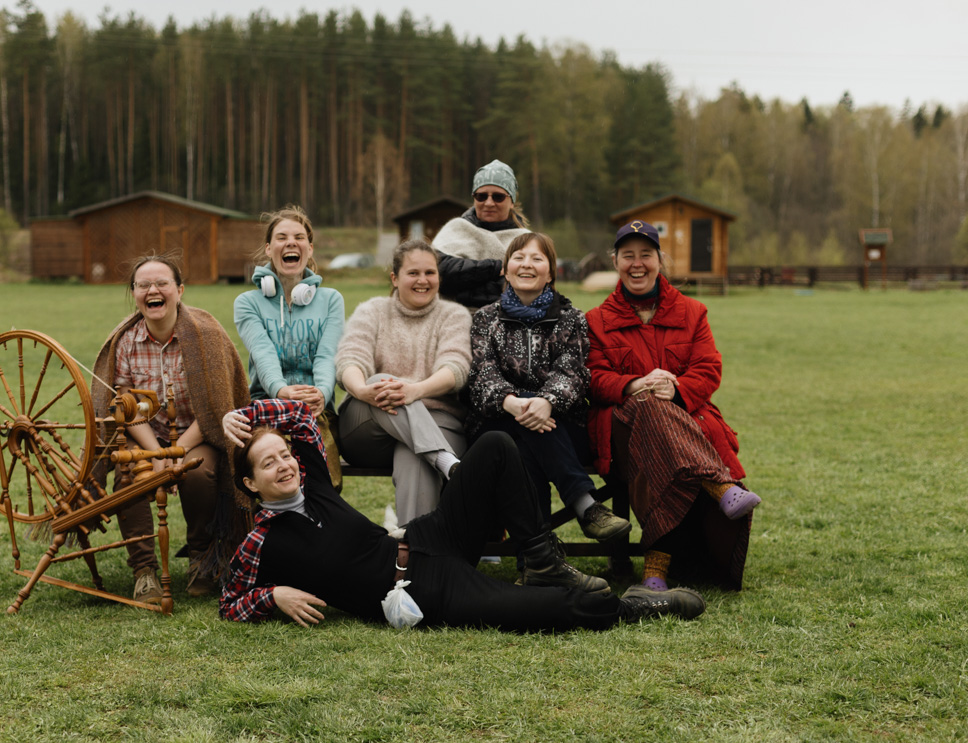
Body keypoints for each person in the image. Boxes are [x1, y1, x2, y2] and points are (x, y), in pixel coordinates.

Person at [218, 399, 704, 629]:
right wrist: (273, 594)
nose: (284, 464)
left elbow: (302, 418)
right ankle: (638, 606)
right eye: (268, 462)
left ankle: (540, 560)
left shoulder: (313, 481)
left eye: (284, 455)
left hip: (429, 536)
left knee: (494, 445)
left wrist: (246, 418)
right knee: (550, 613)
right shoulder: (262, 543)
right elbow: (230, 599)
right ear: (249, 483)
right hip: (424, 593)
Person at [586, 221, 761, 600]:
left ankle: (656, 569)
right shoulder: (596, 321)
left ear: (660, 260)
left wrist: (675, 387)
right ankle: (719, 484)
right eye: (628, 255)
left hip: (680, 421)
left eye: (645, 255)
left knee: (659, 441)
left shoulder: (692, 312)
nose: (637, 264)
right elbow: (594, 378)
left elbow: (708, 369)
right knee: (648, 407)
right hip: (621, 428)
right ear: (615, 261)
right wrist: (634, 385)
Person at [90, 252, 253, 600]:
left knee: (199, 472)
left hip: (200, 435)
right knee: (130, 472)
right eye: (143, 284)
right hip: (146, 436)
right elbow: (124, 407)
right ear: (134, 293)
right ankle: (144, 569)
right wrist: (156, 452)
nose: (153, 289)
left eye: (162, 283)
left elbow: (216, 409)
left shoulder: (205, 336)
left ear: (179, 290)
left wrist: (179, 453)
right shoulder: (125, 342)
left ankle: (201, 558)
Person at [469, 232, 631, 548]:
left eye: (537, 258)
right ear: (504, 269)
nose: (526, 264)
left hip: (561, 425)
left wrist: (547, 401)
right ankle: (585, 506)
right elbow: (481, 377)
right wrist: (515, 403)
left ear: (551, 272)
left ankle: (536, 558)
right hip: (495, 425)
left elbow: (573, 375)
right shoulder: (485, 319)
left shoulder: (571, 319)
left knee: (526, 446)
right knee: (521, 439)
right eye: (518, 257)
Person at [335, 239, 471, 525]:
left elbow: (456, 367)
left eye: (430, 273)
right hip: (369, 423)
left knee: (415, 454)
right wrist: (362, 389)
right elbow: (350, 358)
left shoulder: (454, 315)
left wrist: (416, 391)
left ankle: (412, 554)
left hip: (438, 422)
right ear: (395, 278)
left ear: (439, 277)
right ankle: (444, 460)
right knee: (383, 381)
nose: (423, 280)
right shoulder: (372, 310)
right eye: (413, 273)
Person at [234, 206, 345, 489]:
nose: (290, 243)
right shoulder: (247, 303)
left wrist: (321, 392)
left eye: (298, 237)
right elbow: (263, 353)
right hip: (268, 406)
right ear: (269, 249)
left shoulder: (331, 299)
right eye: (282, 237)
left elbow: (326, 354)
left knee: (322, 482)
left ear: (309, 247)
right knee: (274, 474)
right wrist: (281, 391)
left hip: (316, 407)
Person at [431, 159, 531, 309]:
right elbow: (438, 272)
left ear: (512, 201)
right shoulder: (455, 230)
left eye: (498, 197)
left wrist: (464, 282)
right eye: (481, 196)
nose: (489, 203)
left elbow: (528, 287)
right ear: (474, 198)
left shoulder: (526, 241)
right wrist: (496, 268)